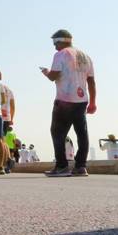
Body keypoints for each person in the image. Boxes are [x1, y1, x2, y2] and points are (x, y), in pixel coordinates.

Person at [41, 29, 96, 177]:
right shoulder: (86, 56)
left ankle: (61, 166)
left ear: (62, 40)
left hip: (65, 100)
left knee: (57, 133)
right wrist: (93, 102)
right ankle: (80, 166)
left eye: (55, 42)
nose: (54, 46)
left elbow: (53, 76)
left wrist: (46, 72)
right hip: (82, 100)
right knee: (82, 133)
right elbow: (91, 81)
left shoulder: (61, 54)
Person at [0, 69, 14, 173]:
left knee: (0, 141)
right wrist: (11, 119)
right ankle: (8, 161)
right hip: (7, 116)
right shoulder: (9, 89)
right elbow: (13, 106)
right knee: (2, 140)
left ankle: (7, 161)